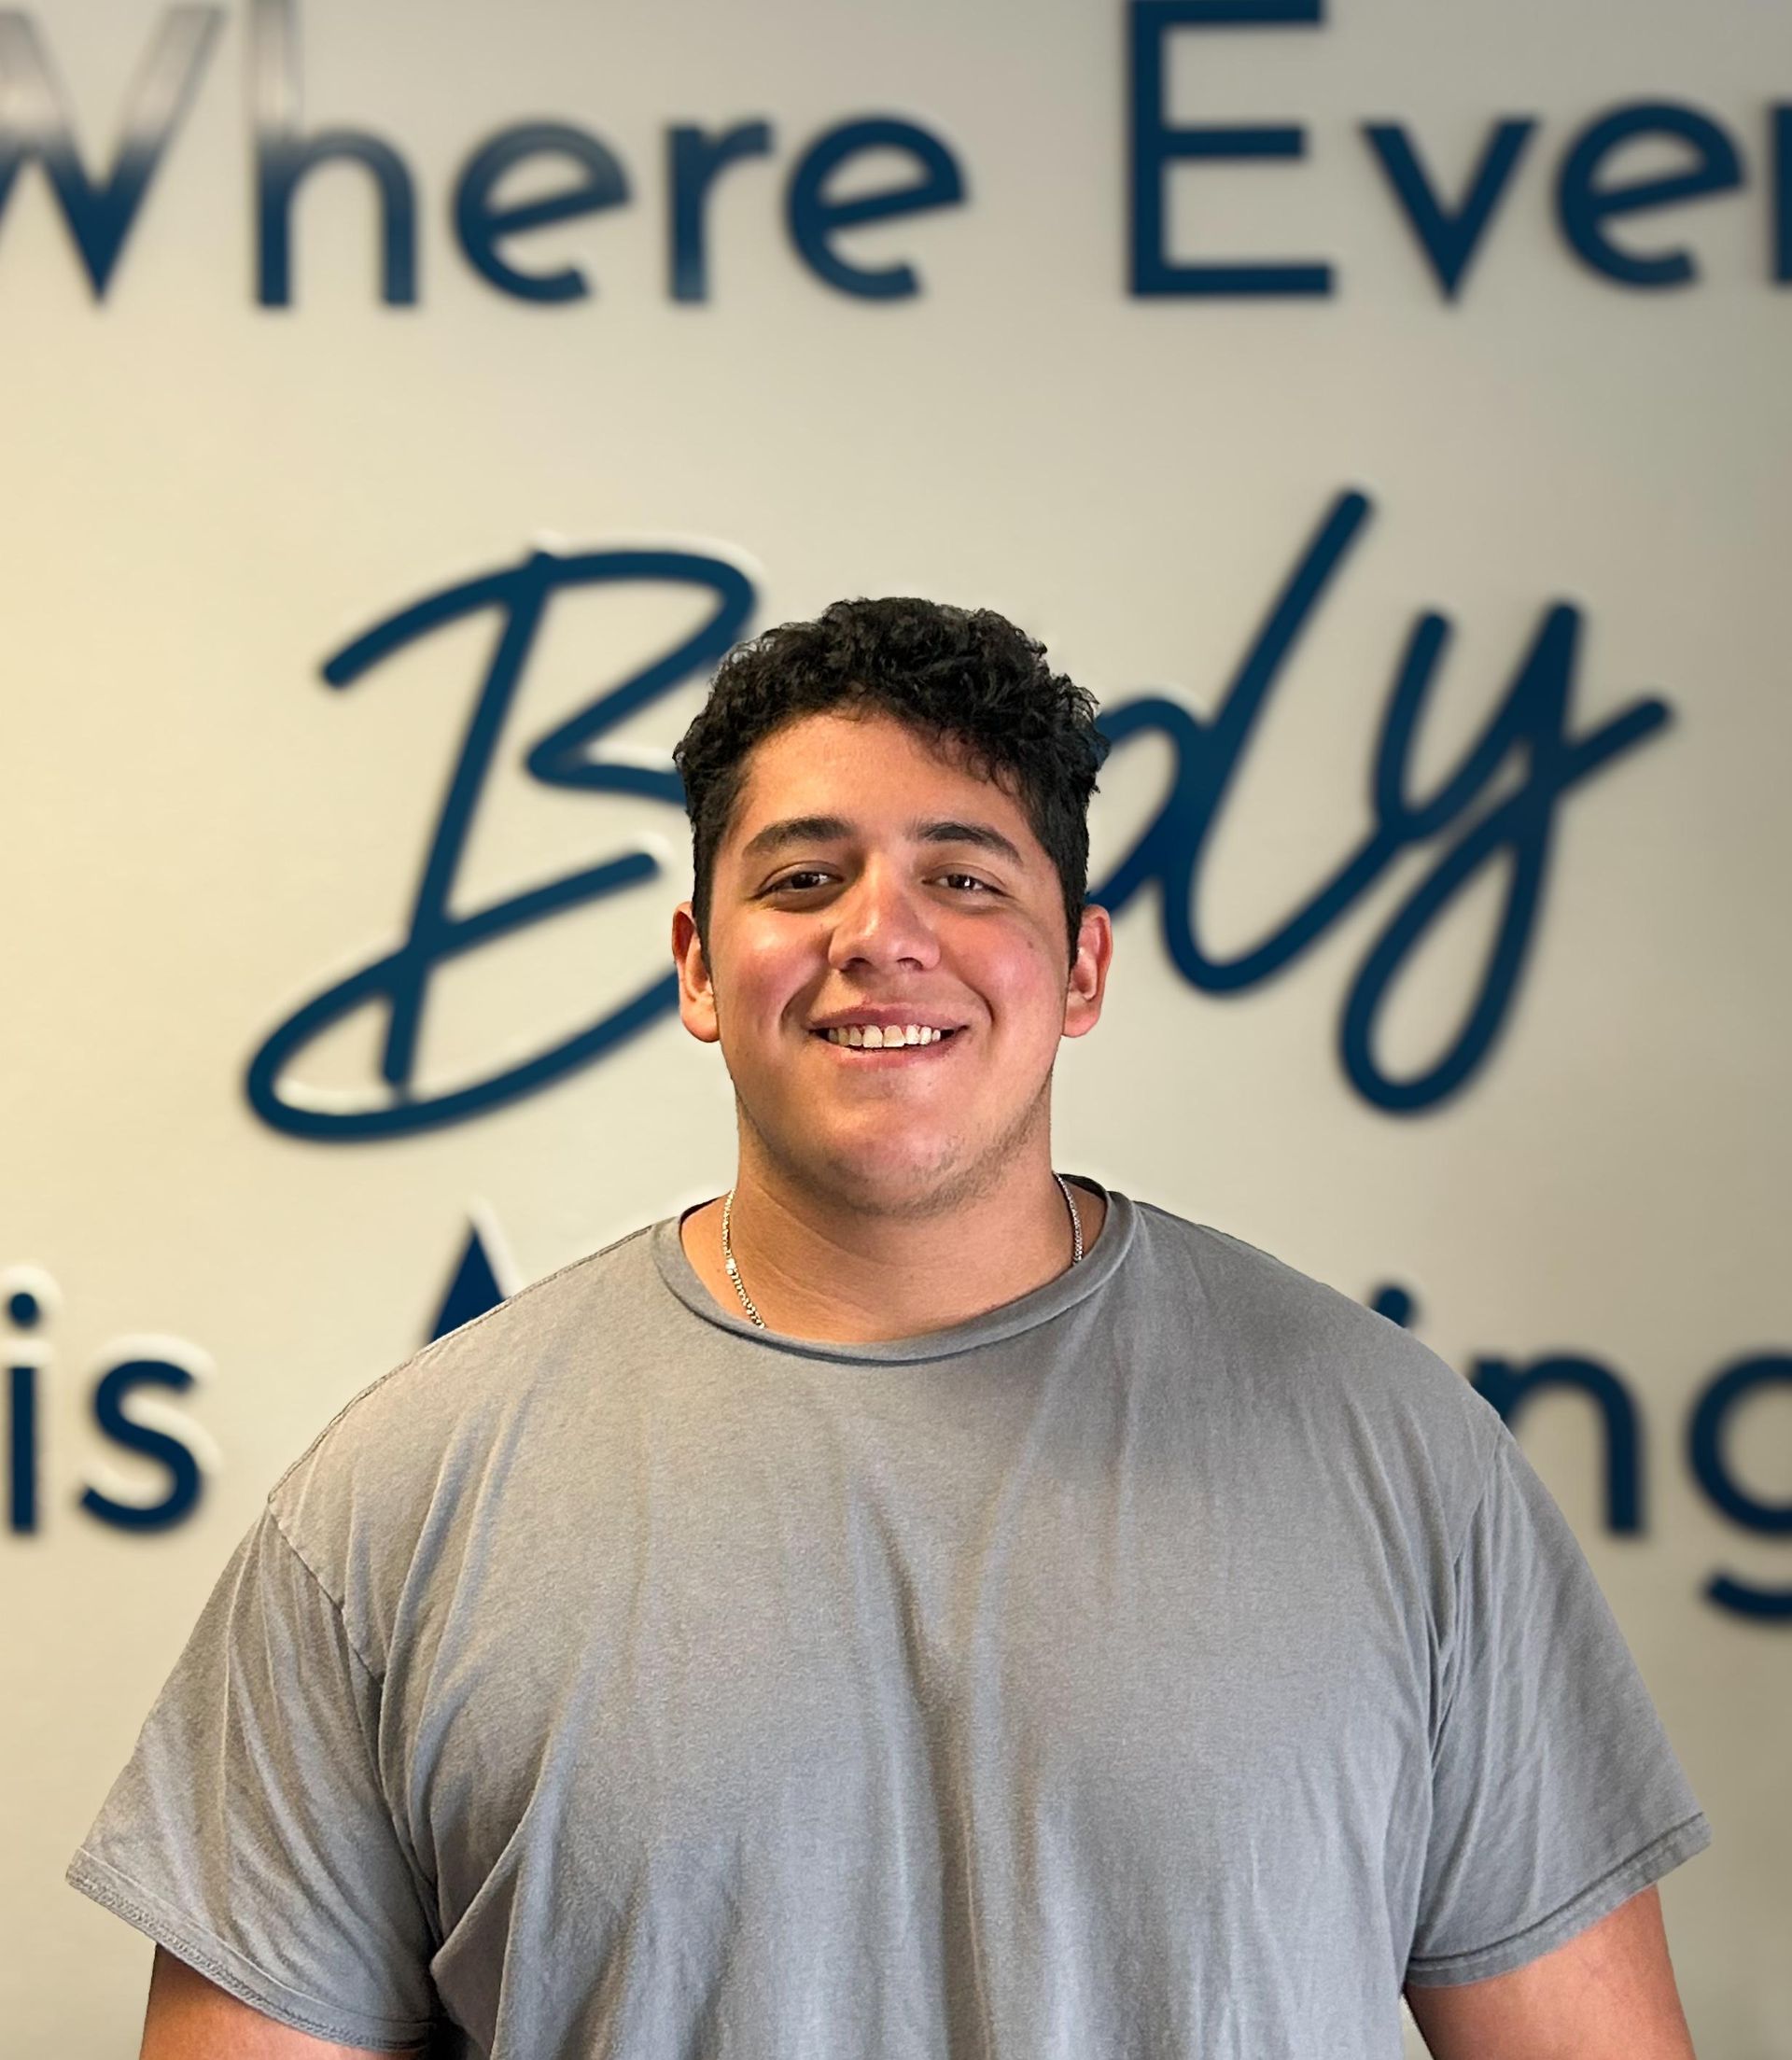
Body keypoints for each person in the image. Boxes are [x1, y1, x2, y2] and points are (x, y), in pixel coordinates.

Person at [70, 597, 1710, 2059]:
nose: (881, 932)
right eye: (803, 876)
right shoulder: (398, 1506)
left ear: (1080, 968)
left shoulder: (1396, 1456)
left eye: (962, 874)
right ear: (700, 967)